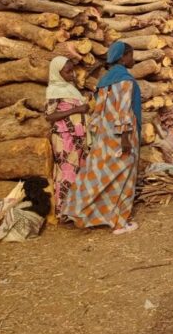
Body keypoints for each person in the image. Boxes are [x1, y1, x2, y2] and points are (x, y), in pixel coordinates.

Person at [63, 41, 141, 235]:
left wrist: (97, 135)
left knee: (98, 175)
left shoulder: (104, 81)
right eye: (131, 55)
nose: (133, 59)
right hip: (122, 135)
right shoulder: (125, 80)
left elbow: (97, 112)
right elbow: (123, 111)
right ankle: (119, 222)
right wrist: (125, 139)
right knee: (124, 177)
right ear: (122, 57)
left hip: (104, 135)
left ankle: (78, 209)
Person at [45, 56, 89, 223]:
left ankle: (76, 209)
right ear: (57, 72)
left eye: (72, 70)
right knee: (67, 172)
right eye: (67, 71)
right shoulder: (53, 90)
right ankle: (63, 212)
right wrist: (77, 109)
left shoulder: (70, 88)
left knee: (79, 171)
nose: (72, 74)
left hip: (78, 135)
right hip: (64, 136)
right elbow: (50, 115)